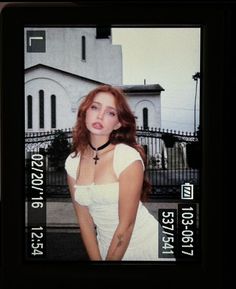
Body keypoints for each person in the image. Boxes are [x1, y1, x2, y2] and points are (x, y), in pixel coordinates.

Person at [65, 84, 161, 261]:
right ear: (85, 112)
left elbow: (126, 225)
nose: (100, 115)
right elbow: (84, 222)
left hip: (145, 245)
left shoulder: (127, 157)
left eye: (110, 112)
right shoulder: (72, 162)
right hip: (106, 246)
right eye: (95, 107)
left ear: (117, 123)